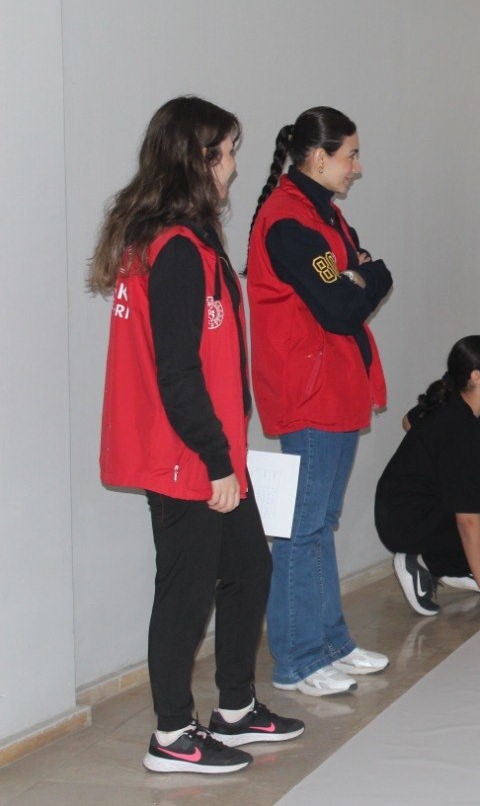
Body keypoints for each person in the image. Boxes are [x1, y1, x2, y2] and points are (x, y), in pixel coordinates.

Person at [91, 96, 302, 774]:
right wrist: (217, 460)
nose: (235, 166)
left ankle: (234, 706)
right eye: (228, 152)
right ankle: (172, 735)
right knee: (184, 592)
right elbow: (177, 373)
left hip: (210, 452)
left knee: (249, 566)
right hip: (186, 456)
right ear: (197, 158)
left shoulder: (185, 240)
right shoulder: (177, 249)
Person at [246, 107, 393, 696]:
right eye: (350, 155)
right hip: (308, 394)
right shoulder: (288, 223)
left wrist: (363, 275)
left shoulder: (322, 215)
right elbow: (341, 303)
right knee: (300, 530)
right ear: (317, 157)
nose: (357, 167)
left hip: (335, 388)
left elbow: (352, 281)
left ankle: (331, 642)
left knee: (319, 525)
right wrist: (372, 274)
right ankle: (298, 659)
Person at [376, 336, 480, 618]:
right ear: (478, 377)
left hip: (428, 497)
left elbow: (409, 421)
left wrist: (461, 465)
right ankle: (426, 563)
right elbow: (468, 522)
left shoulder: (457, 393)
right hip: (406, 519)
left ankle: (458, 565)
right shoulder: (458, 429)